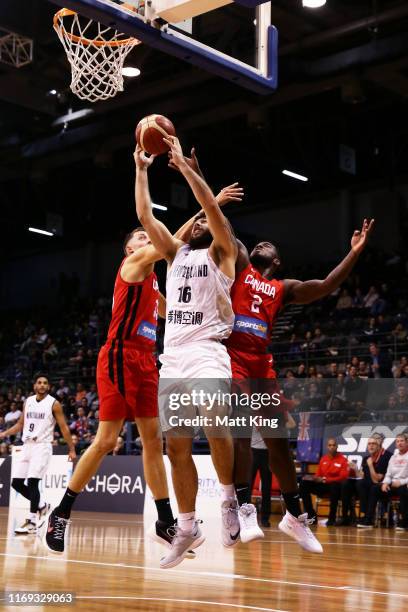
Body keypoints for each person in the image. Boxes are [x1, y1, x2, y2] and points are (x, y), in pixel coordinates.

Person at [224, 218, 374, 552]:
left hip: (261, 364)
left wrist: (354, 253)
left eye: (270, 247)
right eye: (259, 243)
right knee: (242, 436)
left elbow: (324, 286)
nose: (263, 244)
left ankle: (294, 516)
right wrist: (198, 174)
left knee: (279, 445)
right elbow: (221, 224)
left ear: (276, 262)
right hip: (233, 357)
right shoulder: (242, 266)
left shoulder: (283, 288)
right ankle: (245, 508)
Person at [135, 136, 239, 569]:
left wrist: (185, 169)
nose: (197, 222)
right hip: (173, 357)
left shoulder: (222, 252)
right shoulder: (174, 254)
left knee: (215, 423)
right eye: (192, 220)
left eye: (203, 220)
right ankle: (189, 524)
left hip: (207, 351)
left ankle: (231, 500)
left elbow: (213, 212)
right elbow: (144, 215)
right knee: (176, 447)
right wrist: (141, 169)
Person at [0, 374, 76, 535]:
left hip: (42, 446)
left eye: (45, 383)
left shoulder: (54, 404)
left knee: (33, 482)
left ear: (48, 387)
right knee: (16, 484)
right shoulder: (28, 401)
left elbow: (63, 428)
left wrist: (71, 448)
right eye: (39, 383)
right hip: (26, 445)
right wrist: (3, 434)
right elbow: (20, 424)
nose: (42, 385)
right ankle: (42, 505)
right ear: (35, 385)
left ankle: (32, 522)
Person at [357, 433, 408, 530]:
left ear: (407, 442)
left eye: (402, 441)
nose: (399, 443)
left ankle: (405, 521)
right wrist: (385, 483)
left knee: (403, 490)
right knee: (375, 488)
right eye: (397, 441)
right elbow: (388, 474)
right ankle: (368, 520)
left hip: (404, 485)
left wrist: (401, 482)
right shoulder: (394, 457)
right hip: (392, 484)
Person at [340, 436, 391, 525]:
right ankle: (347, 517)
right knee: (346, 484)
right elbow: (361, 476)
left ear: (379, 446)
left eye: (373, 444)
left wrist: (371, 465)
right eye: (369, 444)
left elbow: (376, 480)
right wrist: (356, 469)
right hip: (366, 484)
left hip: (379, 485)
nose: (371, 446)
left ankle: (367, 516)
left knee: (366, 486)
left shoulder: (385, 457)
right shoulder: (366, 458)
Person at [299, 438, 349, 526]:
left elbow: (343, 477)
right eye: (330, 445)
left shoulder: (343, 460)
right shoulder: (324, 459)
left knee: (335, 486)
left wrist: (326, 479)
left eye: (334, 445)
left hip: (335, 486)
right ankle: (311, 515)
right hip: (323, 485)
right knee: (304, 484)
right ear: (327, 447)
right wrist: (313, 478)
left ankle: (331, 518)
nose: (332, 447)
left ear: (337, 447)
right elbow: (318, 474)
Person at [250, 426, 272, 528]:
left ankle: (265, 518)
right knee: (248, 486)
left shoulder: (271, 414)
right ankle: (246, 516)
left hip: (267, 451)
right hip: (252, 450)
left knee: (266, 487)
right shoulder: (250, 413)